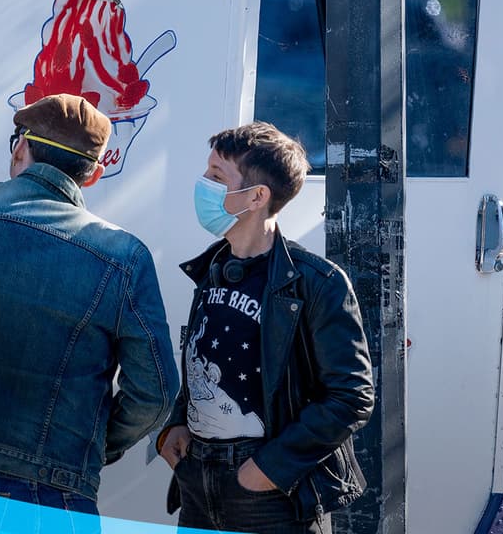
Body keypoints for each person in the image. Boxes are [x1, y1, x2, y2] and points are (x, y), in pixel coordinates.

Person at [0, 93, 178, 524]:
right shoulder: (124, 257)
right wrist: (93, 443)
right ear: (94, 174)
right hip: (57, 490)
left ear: (20, 148)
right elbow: (155, 392)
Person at [157, 122, 374, 533]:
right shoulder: (213, 268)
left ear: (257, 197)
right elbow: (204, 357)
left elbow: (352, 396)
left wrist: (269, 468)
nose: (203, 184)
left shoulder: (318, 283)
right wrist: (178, 422)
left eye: (217, 176)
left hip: (269, 492)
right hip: (197, 480)